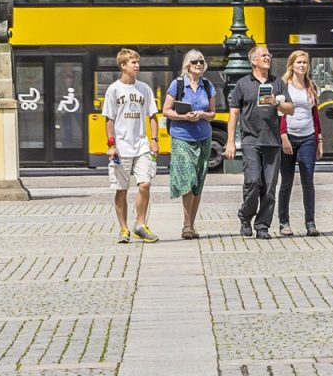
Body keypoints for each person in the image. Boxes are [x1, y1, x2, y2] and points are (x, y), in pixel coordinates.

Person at [227, 46, 289, 240]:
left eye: (269, 55)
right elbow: (234, 114)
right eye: (264, 55)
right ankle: (245, 216)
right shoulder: (243, 84)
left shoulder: (277, 83)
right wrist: (230, 141)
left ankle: (262, 225)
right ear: (253, 60)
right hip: (250, 140)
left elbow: (290, 108)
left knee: (270, 187)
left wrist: (277, 103)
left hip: (272, 141)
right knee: (253, 181)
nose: (268, 57)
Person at [102, 48, 160, 243]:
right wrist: (111, 145)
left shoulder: (144, 89)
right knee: (121, 189)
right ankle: (124, 229)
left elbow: (153, 115)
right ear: (123, 66)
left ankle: (140, 224)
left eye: (137, 62)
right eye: (133, 62)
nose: (137, 65)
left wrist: (154, 140)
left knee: (145, 183)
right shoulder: (114, 90)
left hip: (141, 145)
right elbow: (109, 120)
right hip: (121, 147)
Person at [161, 50, 216, 240]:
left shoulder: (207, 85)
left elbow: (212, 113)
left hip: (203, 137)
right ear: (188, 65)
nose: (198, 64)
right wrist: (184, 117)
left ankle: (191, 225)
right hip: (182, 137)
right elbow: (166, 110)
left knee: (198, 182)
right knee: (188, 179)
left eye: (201, 61)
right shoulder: (177, 84)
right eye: (194, 62)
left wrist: (202, 115)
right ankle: (186, 225)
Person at [276, 49, 322, 237]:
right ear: (292, 65)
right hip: (289, 137)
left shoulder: (311, 86)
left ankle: (310, 223)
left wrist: (319, 139)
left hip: (308, 137)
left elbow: (315, 114)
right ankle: (284, 223)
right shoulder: (283, 85)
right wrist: (283, 136)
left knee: (308, 181)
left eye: (305, 62)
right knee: (286, 182)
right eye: (299, 62)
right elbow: (279, 112)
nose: (302, 65)